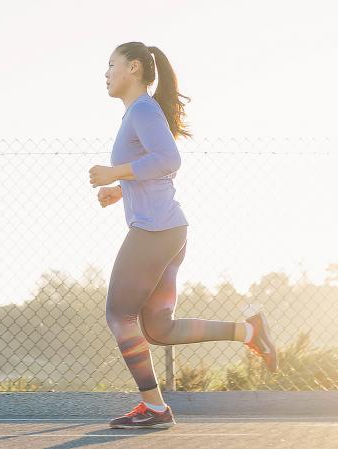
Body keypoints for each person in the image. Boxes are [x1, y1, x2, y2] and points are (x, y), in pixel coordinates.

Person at [88, 42, 278, 430]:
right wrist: (121, 189)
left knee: (119, 315)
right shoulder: (137, 113)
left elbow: (170, 160)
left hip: (156, 231)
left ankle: (155, 409)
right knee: (158, 328)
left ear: (134, 68)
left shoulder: (141, 109)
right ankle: (249, 331)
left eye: (112, 65)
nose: (105, 73)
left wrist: (115, 173)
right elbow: (157, 169)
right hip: (169, 230)